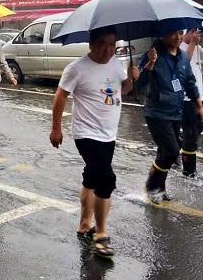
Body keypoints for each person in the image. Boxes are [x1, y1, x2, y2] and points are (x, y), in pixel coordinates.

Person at [50, 27, 139, 259]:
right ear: (91, 44)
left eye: (112, 44)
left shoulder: (115, 64)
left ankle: (84, 223)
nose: (108, 49)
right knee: (106, 180)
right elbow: (60, 97)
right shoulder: (76, 69)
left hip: (109, 134)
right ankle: (100, 233)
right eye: (103, 44)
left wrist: (134, 76)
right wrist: (56, 128)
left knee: (92, 177)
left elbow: (124, 90)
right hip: (86, 134)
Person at [137, 30, 203, 205]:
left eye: (180, 33)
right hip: (156, 113)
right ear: (162, 35)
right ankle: (151, 186)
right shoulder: (152, 55)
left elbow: (190, 84)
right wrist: (150, 64)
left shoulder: (183, 57)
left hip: (176, 112)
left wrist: (200, 107)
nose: (178, 37)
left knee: (165, 152)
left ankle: (160, 189)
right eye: (173, 34)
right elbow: (140, 85)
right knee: (171, 151)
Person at [179, 28, 203, 178]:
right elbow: (183, 64)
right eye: (194, 31)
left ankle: (178, 141)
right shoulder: (180, 47)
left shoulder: (197, 46)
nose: (197, 34)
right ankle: (189, 171)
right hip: (186, 98)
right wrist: (192, 43)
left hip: (199, 96)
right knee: (191, 135)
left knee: (198, 127)